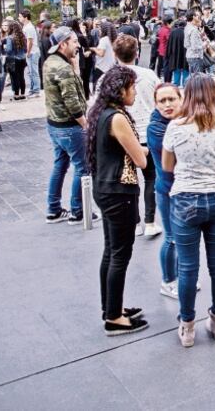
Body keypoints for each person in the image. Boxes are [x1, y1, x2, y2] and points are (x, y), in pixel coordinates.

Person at [162, 74, 215, 347]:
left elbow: (167, 166)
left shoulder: (176, 128)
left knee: (188, 268)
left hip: (186, 199)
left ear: (187, 96)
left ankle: (188, 326)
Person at [86, 65, 149, 336]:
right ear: (120, 89)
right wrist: (146, 148)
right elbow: (140, 159)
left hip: (104, 187)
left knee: (110, 250)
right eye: (132, 87)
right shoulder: (118, 118)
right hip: (119, 191)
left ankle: (111, 307)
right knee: (120, 254)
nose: (135, 92)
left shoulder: (100, 112)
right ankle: (114, 317)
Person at [42, 27, 95, 224]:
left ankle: (53, 209)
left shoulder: (51, 62)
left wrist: (76, 69)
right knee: (82, 167)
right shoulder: (62, 69)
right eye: (74, 41)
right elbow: (72, 101)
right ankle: (77, 210)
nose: (78, 45)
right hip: (69, 126)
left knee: (60, 165)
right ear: (63, 44)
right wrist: (86, 125)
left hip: (54, 124)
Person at [114, 34, 162, 238]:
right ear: (137, 53)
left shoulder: (110, 77)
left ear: (116, 55)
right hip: (147, 131)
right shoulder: (149, 75)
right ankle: (150, 221)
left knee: (129, 179)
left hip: (123, 135)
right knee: (151, 177)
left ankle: (133, 221)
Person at [147, 83, 182, 300]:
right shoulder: (156, 128)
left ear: (180, 99)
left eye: (171, 99)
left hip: (184, 190)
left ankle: (182, 276)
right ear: (156, 103)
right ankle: (168, 281)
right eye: (162, 101)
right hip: (168, 191)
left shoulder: (181, 121)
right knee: (171, 238)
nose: (167, 105)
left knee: (184, 238)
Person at [3, 21, 28, 100]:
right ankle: (23, 94)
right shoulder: (23, 37)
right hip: (23, 59)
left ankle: (16, 94)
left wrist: (5, 48)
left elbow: (9, 50)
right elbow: (25, 50)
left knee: (15, 77)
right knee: (21, 76)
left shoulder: (10, 38)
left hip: (14, 59)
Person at [20, 10, 41, 97]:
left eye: (20, 16)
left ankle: (36, 90)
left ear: (25, 17)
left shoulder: (29, 27)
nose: (19, 18)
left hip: (33, 52)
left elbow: (30, 41)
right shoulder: (26, 26)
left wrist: (28, 52)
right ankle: (32, 89)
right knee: (30, 72)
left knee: (34, 71)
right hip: (31, 52)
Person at [91, 21, 118, 87]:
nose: (99, 31)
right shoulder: (113, 40)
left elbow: (101, 53)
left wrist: (93, 49)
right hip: (110, 67)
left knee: (97, 87)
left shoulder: (104, 40)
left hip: (101, 68)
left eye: (100, 29)